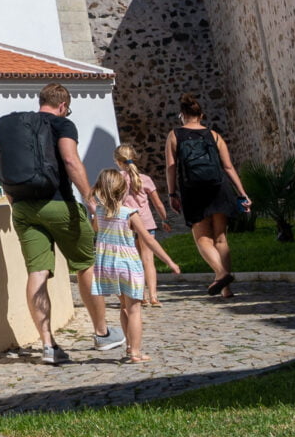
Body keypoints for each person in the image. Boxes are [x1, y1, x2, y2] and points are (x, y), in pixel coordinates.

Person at [7, 82, 114, 363]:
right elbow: (70, 160)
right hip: (59, 205)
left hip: (22, 207)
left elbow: (8, 166)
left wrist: (14, 201)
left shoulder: (19, 127)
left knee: (37, 273)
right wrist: (90, 198)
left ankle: (48, 345)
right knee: (85, 265)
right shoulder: (63, 125)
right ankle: (102, 334)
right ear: (63, 106)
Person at [165, 95, 251, 297]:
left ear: (182, 115)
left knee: (203, 238)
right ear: (201, 115)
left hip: (193, 190)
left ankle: (221, 274)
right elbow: (228, 167)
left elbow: (171, 167)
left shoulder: (175, 135)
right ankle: (227, 289)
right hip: (219, 187)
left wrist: (171, 193)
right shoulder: (214, 135)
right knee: (221, 238)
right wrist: (242, 193)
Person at [88, 167, 157, 362]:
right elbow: (147, 239)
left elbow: (95, 228)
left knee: (124, 307)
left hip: (107, 266)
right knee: (134, 309)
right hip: (128, 265)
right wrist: (169, 261)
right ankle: (135, 352)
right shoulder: (128, 212)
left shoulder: (99, 213)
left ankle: (129, 348)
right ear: (123, 189)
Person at [115, 146, 177, 306]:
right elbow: (157, 203)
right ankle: (154, 296)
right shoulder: (145, 179)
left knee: (133, 261)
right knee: (148, 260)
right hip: (147, 223)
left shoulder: (117, 179)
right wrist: (164, 219)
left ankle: (140, 295)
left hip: (126, 224)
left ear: (117, 161)